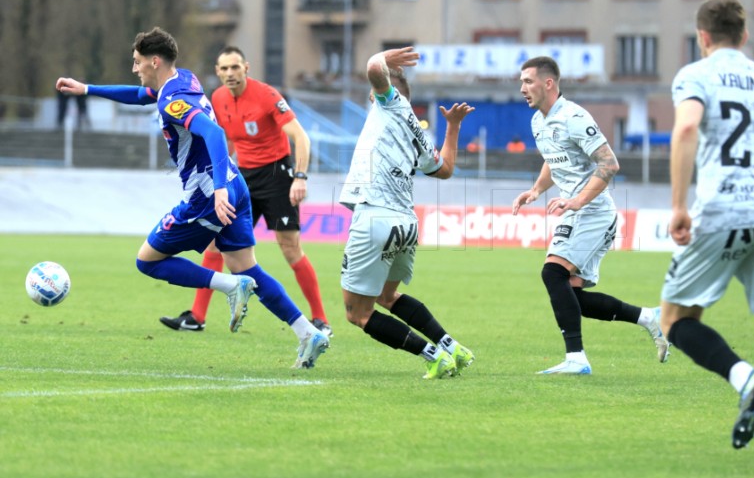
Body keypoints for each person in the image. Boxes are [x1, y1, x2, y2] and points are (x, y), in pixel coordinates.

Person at [55, 27, 329, 369]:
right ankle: (308, 333)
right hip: (237, 184)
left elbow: (213, 132)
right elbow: (140, 95)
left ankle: (229, 286)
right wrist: (88, 89)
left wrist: (216, 190)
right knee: (250, 268)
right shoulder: (184, 80)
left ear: (154, 61)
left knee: (147, 261)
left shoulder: (172, 100)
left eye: (138, 62)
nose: (135, 69)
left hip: (207, 196)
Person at [659, 0, 754, 462]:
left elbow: (685, 131)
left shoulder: (696, 75)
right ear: (744, 36)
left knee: (676, 321)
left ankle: (746, 378)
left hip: (725, 208)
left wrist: (679, 205)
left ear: (703, 37)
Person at [158, 46, 331, 337]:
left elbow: (300, 137)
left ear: (246, 68)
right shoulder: (218, 98)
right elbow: (227, 144)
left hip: (277, 175)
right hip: (243, 177)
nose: (229, 74)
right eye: (224, 69)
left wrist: (300, 178)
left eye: (235, 68)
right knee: (215, 243)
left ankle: (320, 319)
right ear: (217, 72)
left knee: (290, 248)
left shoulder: (267, 96)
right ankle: (196, 317)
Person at [511, 56, 668, 375]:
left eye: (528, 81)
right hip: (577, 210)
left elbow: (609, 164)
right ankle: (649, 317)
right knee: (573, 296)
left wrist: (578, 200)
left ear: (548, 83)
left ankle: (576, 359)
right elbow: (554, 159)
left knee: (552, 273)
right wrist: (537, 190)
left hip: (593, 211)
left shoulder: (573, 117)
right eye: (521, 82)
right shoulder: (539, 121)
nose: (522, 88)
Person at [339, 46, 476, 380]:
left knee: (357, 313)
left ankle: (433, 355)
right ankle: (451, 346)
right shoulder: (416, 129)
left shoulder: (391, 103)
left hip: (375, 216)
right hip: (406, 224)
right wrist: (453, 126)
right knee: (388, 296)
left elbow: (373, 66)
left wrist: (383, 60)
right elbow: (444, 169)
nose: (372, 95)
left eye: (376, 91)